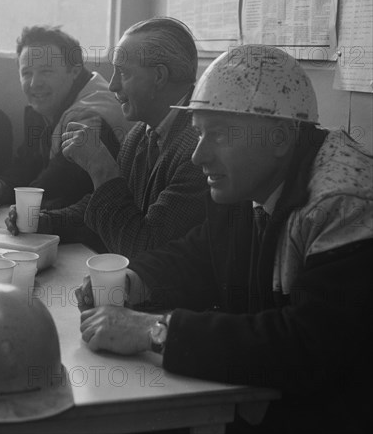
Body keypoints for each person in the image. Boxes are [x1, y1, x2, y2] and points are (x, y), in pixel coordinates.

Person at [76, 45, 373, 433]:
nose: (199, 156)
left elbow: (307, 346)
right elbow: (201, 254)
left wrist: (153, 330)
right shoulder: (251, 179)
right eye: (198, 134)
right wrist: (139, 279)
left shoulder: (344, 203)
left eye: (218, 136)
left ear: (281, 137)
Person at [7, 17, 208, 256]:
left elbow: (145, 247)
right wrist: (45, 222)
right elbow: (101, 208)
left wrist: (102, 170)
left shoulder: (200, 150)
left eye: (122, 73)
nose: (112, 86)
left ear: (159, 76)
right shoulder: (140, 133)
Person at [0, 25, 132, 209]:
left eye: (46, 71)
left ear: (74, 71)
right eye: (27, 73)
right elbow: (27, 163)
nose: (35, 84)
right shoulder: (50, 102)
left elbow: (57, 188)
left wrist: (17, 207)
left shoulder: (89, 116)